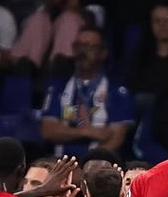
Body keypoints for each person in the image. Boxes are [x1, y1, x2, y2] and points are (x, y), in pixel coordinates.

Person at [41, 27, 136, 157]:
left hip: (98, 165)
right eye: (79, 46)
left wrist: (88, 163)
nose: (83, 51)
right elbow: (48, 131)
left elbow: (116, 138)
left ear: (103, 52)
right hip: (59, 163)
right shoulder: (57, 86)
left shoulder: (117, 90)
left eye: (90, 46)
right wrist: (87, 131)